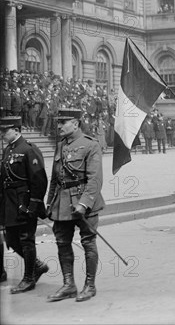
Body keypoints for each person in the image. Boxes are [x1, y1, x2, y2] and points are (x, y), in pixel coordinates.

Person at [46, 108, 105, 302]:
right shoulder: (61, 145)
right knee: (62, 243)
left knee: (88, 242)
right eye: (58, 122)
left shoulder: (90, 144)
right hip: (61, 203)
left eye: (63, 122)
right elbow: (55, 178)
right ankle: (69, 285)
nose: (59, 126)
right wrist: (49, 203)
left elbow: (95, 179)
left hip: (83, 202)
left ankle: (90, 285)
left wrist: (84, 204)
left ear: (76, 123)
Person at [0, 116, 49, 294]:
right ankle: (37, 266)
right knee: (12, 239)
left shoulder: (29, 149)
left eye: (6, 131)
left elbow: (39, 179)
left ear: (17, 130)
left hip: (25, 201)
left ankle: (28, 278)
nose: (2, 134)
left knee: (26, 240)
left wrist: (34, 205)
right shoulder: (8, 150)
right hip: (10, 203)